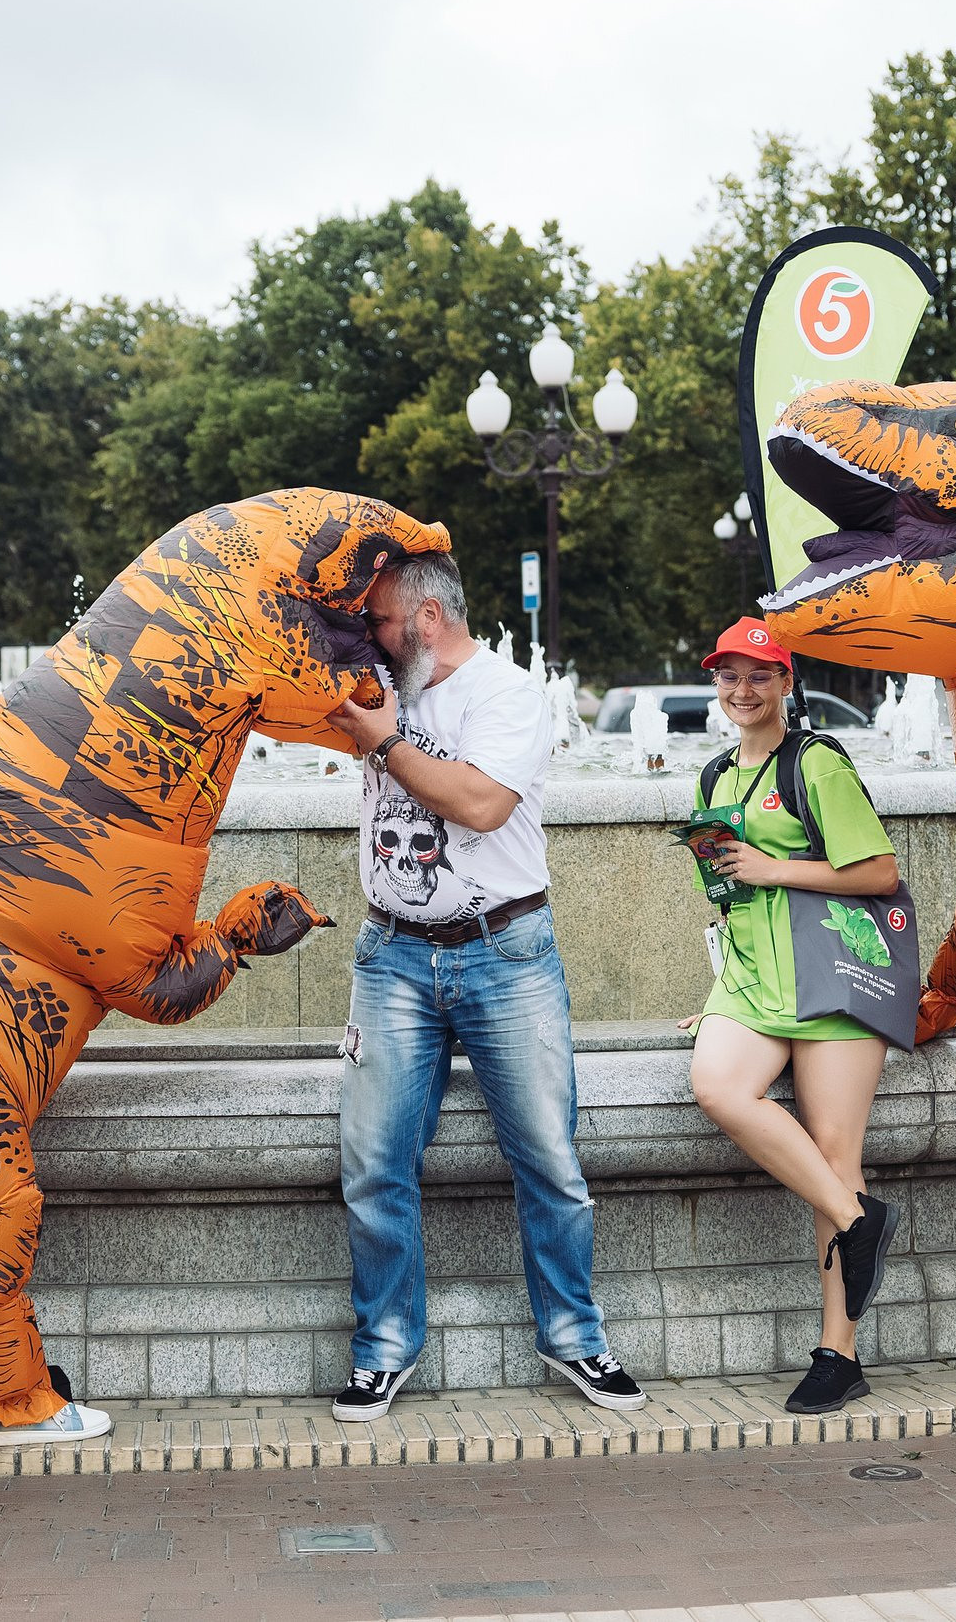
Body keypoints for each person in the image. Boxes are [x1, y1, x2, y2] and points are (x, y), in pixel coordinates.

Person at [325, 553, 646, 1422]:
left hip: (504, 950)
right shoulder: (370, 685)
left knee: (549, 1157)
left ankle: (575, 1334)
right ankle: (384, 1346)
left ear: (427, 618)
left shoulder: (506, 694)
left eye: (383, 624)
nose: (373, 641)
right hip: (390, 952)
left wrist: (384, 741)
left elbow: (479, 805)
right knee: (372, 1161)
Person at [675, 619, 900, 1415]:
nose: (743, 690)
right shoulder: (712, 776)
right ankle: (858, 1221)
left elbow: (879, 870)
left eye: (759, 676)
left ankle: (838, 1355)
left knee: (835, 1153)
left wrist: (774, 865)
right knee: (717, 1084)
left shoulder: (815, 762)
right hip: (753, 983)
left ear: (786, 681)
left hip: (833, 975)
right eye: (729, 676)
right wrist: (712, 999)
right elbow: (729, 897)